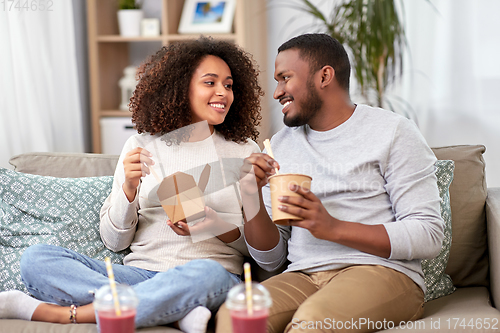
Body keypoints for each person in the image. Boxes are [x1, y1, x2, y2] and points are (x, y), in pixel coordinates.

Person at [0, 36, 263, 333]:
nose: (223, 93)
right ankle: (173, 311)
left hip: (209, 275)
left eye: (228, 85)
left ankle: (67, 315)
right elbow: (115, 242)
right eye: (210, 83)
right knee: (37, 259)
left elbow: (263, 253)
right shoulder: (140, 145)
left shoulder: (246, 151)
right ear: (180, 87)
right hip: (139, 275)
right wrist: (128, 189)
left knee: (207, 274)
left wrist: (212, 224)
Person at [216, 33, 444, 333]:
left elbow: (429, 235)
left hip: (383, 272)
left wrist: (332, 228)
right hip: (304, 275)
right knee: (236, 317)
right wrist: (251, 197)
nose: (277, 92)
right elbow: (272, 260)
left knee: (312, 323)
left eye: (285, 78)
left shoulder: (393, 132)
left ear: (324, 76)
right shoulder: (281, 145)